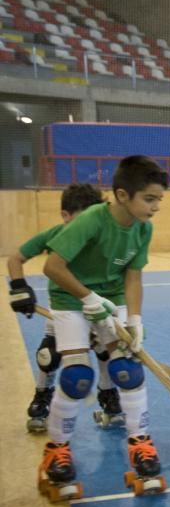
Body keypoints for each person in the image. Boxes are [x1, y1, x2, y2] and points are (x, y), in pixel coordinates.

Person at [38, 156, 169, 500]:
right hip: (70, 298)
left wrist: (135, 320)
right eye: (150, 199)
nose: (155, 207)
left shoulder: (143, 227)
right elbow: (53, 267)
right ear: (123, 195)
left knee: (128, 370)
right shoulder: (93, 220)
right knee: (77, 378)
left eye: (159, 200)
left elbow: (134, 277)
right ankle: (56, 450)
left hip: (110, 297)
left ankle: (140, 444)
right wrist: (88, 299)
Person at [8, 183, 114, 433]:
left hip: (96, 307)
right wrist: (20, 288)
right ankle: (42, 397)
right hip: (64, 308)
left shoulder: (102, 239)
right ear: (65, 216)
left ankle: (109, 398)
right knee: (48, 356)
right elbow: (15, 258)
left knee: (106, 353)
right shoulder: (56, 235)